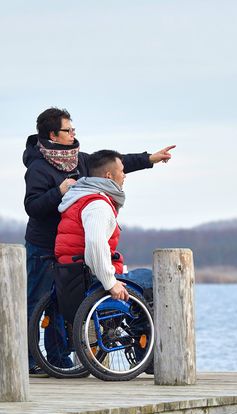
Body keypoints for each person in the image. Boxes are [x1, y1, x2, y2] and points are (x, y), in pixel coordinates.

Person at [24, 107, 174, 374]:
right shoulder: (38, 167)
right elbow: (33, 207)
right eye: (68, 130)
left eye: (73, 129)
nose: (73, 134)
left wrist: (149, 158)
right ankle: (28, 360)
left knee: (63, 304)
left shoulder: (79, 160)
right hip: (45, 245)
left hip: (73, 243)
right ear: (52, 134)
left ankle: (59, 360)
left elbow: (114, 164)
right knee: (39, 302)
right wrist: (59, 191)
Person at [55, 149, 145, 299]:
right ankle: (142, 324)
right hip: (91, 277)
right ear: (109, 176)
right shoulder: (97, 204)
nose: (125, 176)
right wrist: (111, 283)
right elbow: (95, 242)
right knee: (152, 279)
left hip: (73, 274)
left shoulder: (78, 198)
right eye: (122, 171)